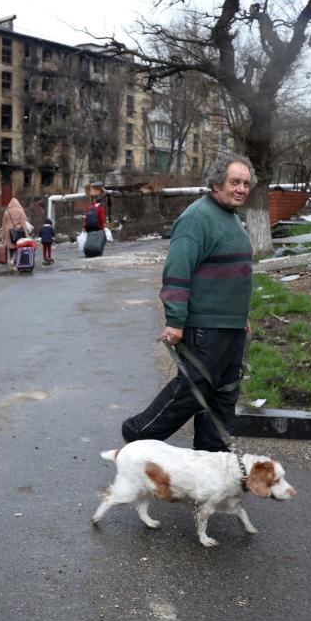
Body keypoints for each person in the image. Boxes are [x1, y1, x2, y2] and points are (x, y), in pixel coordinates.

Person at [120, 153, 255, 452]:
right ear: (216, 183)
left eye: (245, 183)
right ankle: (137, 435)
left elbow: (235, 275)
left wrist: (241, 317)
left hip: (230, 327)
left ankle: (213, 464)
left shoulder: (232, 218)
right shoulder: (197, 217)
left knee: (223, 396)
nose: (241, 189)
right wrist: (175, 321)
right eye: (234, 182)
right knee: (193, 390)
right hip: (204, 327)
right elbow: (177, 272)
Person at [0, 197, 29, 270]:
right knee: (17, 247)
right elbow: (23, 223)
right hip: (16, 231)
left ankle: (11, 261)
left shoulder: (6, 212)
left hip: (7, 231)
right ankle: (13, 261)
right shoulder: (20, 211)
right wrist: (27, 235)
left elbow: (3, 224)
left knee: (10, 248)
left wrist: (2, 237)